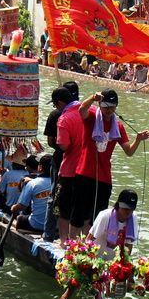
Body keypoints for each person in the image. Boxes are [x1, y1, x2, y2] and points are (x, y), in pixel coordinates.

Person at [73, 89, 149, 235]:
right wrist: (92, 97)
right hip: (84, 173)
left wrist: (138, 139)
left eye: (112, 106)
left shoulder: (119, 127)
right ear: (99, 105)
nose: (109, 110)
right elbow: (81, 110)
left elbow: (129, 151)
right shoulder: (91, 117)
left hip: (104, 176)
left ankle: (87, 246)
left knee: (96, 217)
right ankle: (69, 245)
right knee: (79, 213)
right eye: (106, 106)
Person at [42, 83, 79, 242]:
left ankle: (49, 234)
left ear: (61, 103)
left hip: (61, 160)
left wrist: (61, 146)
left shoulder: (57, 115)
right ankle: (73, 238)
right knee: (75, 198)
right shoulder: (84, 112)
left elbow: (51, 142)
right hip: (79, 160)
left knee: (54, 196)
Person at [55, 83, 88, 245]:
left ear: (60, 104)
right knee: (85, 210)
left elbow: (64, 146)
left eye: (55, 105)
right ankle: (83, 244)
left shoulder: (65, 118)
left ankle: (63, 242)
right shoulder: (93, 111)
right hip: (88, 170)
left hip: (69, 171)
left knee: (63, 209)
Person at [88, 189, 139, 261]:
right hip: (98, 258)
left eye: (131, 209)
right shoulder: (105, 216)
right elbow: (90, 239)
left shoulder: (133, 217)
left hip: (115, 261)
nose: (128, 211)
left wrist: (126, 262)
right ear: (118, 204)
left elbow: (129, 244)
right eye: (125, 208)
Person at [13, 154, 53, 232]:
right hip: (56, 226)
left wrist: (13, 208)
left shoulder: (32, 184)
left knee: (19, 218)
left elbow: (22, 206)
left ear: (40, 167)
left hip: (37, 225)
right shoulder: (60, 183)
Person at [0, 149, 29, 215]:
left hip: (10, 208)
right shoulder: (28, 174)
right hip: (23, 208)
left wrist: (1, 179)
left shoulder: (8, 174)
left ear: (14, 164)